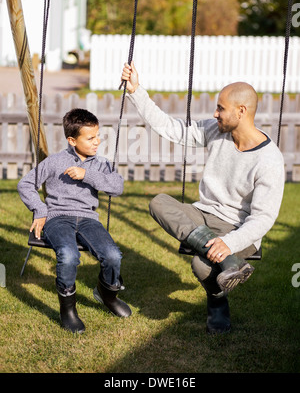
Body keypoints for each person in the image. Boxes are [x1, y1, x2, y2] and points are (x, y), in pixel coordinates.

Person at [121, 61, 285, 334]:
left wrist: (229, 243)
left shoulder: (269, 160)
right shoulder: (217, 131)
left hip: (237, 228)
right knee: (159, 201)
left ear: (241, 111)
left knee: (200, 264)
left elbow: (263, 218)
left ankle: (218, 305)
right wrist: (137, 90)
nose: (215, 113)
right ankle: (229, 264)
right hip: (203, 214)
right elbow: (172, 129)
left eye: (220, 108)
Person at [18, 108, 131, 334]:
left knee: (112, 256)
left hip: (88, 218)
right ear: (72, 140)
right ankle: (68, 310)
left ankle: (107, 294)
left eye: (97, 135)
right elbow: (25, 184)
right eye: (90, 138)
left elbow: (117, 187)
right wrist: (40, 210)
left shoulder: (101, 164)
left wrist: (85, 174)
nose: (97, 141)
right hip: (57, 218)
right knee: (69, 255)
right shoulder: (55, 161)